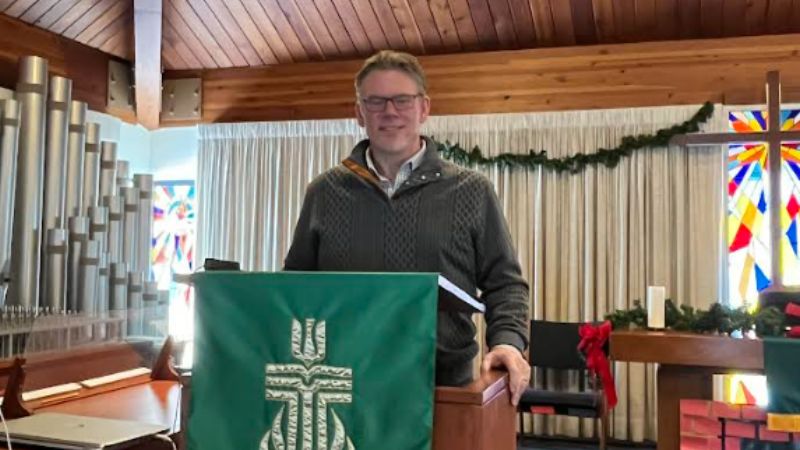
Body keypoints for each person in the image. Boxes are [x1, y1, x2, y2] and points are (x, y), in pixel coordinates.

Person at [284, 50, 530, 405]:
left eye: (402, 100)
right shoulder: (324, 193)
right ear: (358, 113)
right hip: (344, 388)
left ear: (424, 108)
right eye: (376, 101)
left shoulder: (472, 191)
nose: (390, 112)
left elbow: (505, 283)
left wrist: (508, 341)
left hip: (444, 389)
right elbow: (296, 287)